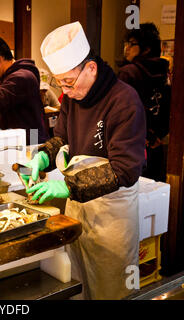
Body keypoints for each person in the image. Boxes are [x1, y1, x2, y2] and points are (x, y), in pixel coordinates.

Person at [23, 22, 146, 299]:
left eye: (69, 82)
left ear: (90, 68)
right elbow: (61, 139)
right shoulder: (73, 98)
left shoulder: (125, 101)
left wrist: (68, 187)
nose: (64, 91)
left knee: (113, 289)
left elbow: (125, 169)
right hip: (78, 209)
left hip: (112, 214)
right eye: (60, 83)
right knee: (77, 284)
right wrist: (43, 156)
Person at [117, 23, 171, 182]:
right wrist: (157, 136)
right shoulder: (164, 71)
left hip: (134, 144)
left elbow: (122, 111)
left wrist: (145, 135)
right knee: (155, 192)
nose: (126, 48)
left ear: (146, 48)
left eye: (132, 44)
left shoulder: (128, 72)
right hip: (157, 144)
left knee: (134, 192)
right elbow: (169, 107)